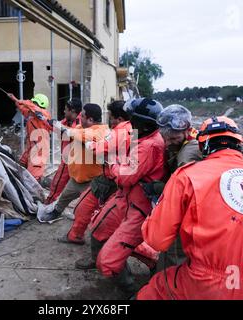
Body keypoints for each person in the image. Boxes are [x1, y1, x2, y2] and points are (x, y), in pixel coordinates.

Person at [137, 116, 243, 300]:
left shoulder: (187, 175)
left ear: (202, 145)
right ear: (239, 144)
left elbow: (156, 240)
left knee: (153, 290)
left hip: (212, 284)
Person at [77, 98, 167, 293]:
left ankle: (131, 290)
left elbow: (125, 176)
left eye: (131, 118)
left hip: (138, 206)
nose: (127, 121)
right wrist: (119, 163)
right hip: (126, 198)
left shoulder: (148, 145)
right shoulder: (141, 137)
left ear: (140, 122)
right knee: (98, 229)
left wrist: (114, 164)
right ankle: (137, 270)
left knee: (107, 261)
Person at [133, 104, 202, 271]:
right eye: (166, 138)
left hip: (189, 213)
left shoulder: (188, 154)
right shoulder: (182, 142)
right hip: (186, 209)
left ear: (187, 130)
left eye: (173, 139)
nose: (168, 143)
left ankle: (168, 286)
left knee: (174, 253)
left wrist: (158, 187)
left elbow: (185, 192)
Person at [57, 100, 132, 245]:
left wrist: (95, 148)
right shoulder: (122, 130)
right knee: (82, 209)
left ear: (119, 119)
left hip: (112, 182)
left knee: (103, 221)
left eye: (111, 116)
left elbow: (98, 143)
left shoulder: (114, 132)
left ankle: (118, 251)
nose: (109, 119)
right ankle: (76, 236)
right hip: (102, 179)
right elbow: (78, 132)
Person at [38, 103, 109, 223]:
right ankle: (56, 212)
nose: (79, 118)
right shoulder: (80, 128)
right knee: (64, 198)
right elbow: (70, 131)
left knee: (88, 208)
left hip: (93, 182)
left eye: (83, 116)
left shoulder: (101, 132)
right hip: (76, 178)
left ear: (90, 119)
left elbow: (79, 135)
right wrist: (49, 122)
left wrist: (59, 126)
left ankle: (95, 224)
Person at [45, 98, 82, 204]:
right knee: (59, 183)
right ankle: (52, 202)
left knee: (58, 182)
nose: (64, 112)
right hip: (70, 159)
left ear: (73, 111)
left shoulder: (80, 123)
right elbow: (56, 127)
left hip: (74, 160)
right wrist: (48, 122)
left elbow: (74, 133)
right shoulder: (67, 121)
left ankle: (49, 203)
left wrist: (59, 126)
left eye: (66, 110)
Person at [8, 93, 51, 182]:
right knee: (21, 164)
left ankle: (36, 192)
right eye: (33, 102)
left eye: (35, 103)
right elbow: (22, 107)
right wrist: (15, 99)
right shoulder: (31, 114)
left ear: (40, 105)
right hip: (31, 147)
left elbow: (32, 107)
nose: (33, 104)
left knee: (33, 178)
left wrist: (22, 101)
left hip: (40, 150)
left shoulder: (44, 114)